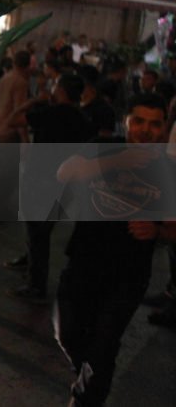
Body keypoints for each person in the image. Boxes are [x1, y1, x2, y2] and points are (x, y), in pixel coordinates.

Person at [54, 94, 176, 406]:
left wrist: (158, 230)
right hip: (82, 261)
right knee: (68, 335)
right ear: (127, 121)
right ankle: (88, 375)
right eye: (139, 121)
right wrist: (115, 161)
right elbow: (65, 172)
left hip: (128, 275)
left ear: (165, 129)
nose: (145, 130)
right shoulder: (102, 145)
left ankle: (86, 398)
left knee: (105, 344)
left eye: (154, 124)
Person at [6, 73, 95, 302]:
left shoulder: (49, 113)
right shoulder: (83, 118)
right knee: (43, 230)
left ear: (62, 91)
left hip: (41, 178)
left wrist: (34, 100)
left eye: (56, 86)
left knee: (38, 231)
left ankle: (37, 286)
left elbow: (13, 120)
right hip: (65, 183)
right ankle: (31, 264)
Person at [0, 50, 32, 143]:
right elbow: (19, 112)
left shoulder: (4, 79)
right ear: (28, 65)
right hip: (11, 132)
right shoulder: (20, 82)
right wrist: (25, 139)